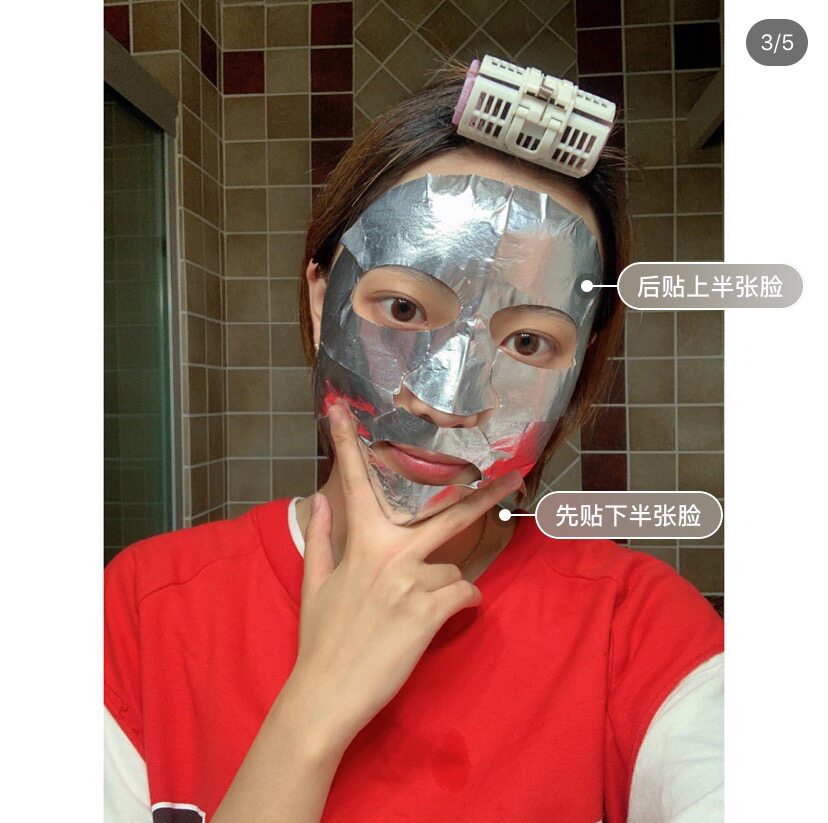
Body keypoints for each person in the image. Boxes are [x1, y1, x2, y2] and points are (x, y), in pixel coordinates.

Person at [105, 68, 724, 823]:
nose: (448, 401)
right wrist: (312, 713)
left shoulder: (643, 629)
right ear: (321, 297)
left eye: (528, 342)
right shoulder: (141, 610)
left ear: (577, 369)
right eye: (402, 308)